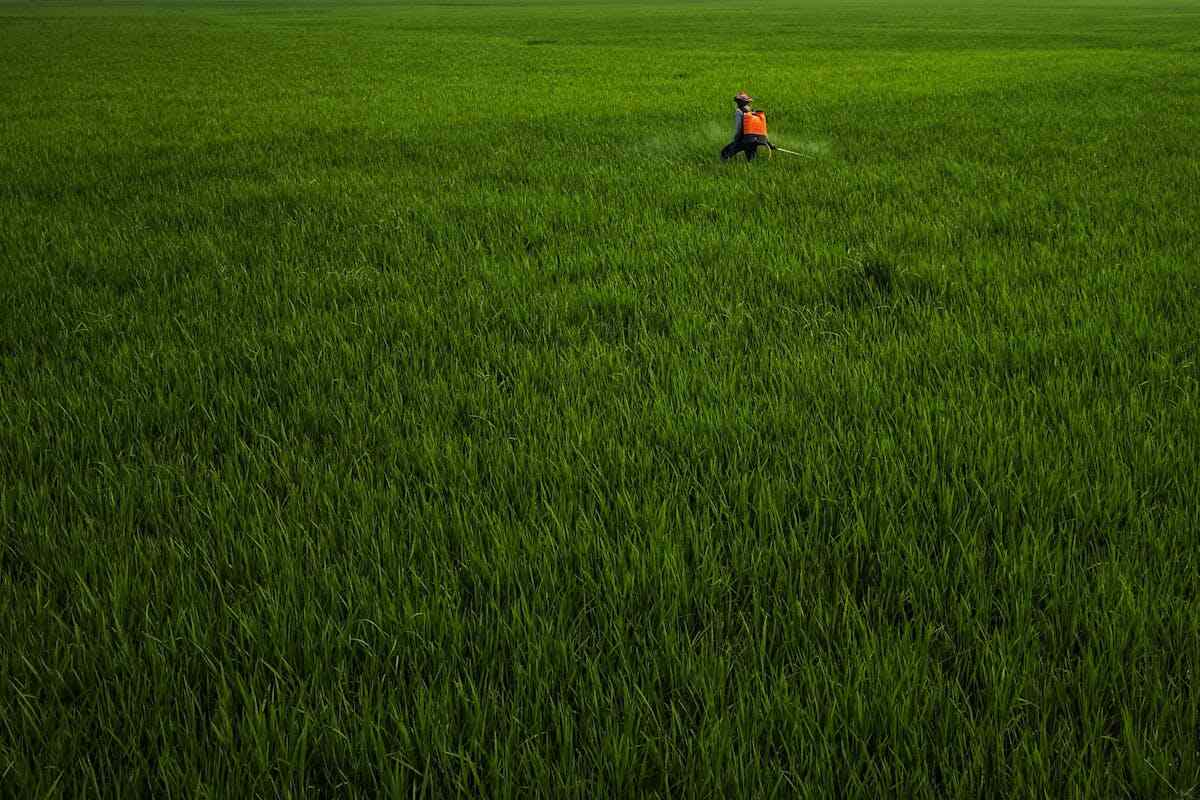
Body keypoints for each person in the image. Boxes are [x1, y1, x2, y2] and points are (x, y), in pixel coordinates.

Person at [720, 91, 777, 162]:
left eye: (738, 101)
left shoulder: (739, 111)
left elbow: (739, 128)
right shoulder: (753, 113)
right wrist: (769, 143)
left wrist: (736, 140)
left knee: (725, 153)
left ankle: (721, 166)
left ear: (739, 102)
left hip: (744, 139)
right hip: (755, 141)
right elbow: (761, 130)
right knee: (751, 160)